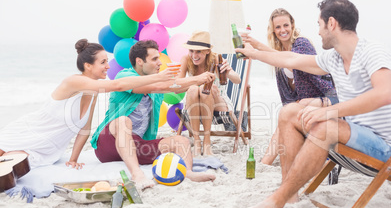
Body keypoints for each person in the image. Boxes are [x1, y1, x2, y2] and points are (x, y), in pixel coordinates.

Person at [235, 0, 391, 208]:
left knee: (325, 127)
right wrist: (254, 53)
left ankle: (276, 200)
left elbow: (383, 94)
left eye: (319, 25)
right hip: (354, 137)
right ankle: (291, 195)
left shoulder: (373, 52)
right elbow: (291, 59)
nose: (319, 32)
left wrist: (329, 111)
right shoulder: (333, 58)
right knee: (289, 112)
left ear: (331, 23)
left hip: (387, 149)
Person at [0, 39, 172, 168]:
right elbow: (117, 85)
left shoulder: (94, 91)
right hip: (28, 133)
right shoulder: (73, 82)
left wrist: (73, 159)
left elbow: (85, 130)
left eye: (107, 61)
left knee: (12, 167)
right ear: (88, 66)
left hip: (48, 148)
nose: (108, 66)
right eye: (103, 62)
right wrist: (158, 76)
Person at [90, 40, 216, 190]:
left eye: (159, 58)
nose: (159, 63)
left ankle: (186, 172)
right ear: (139, 61)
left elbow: (171, 87)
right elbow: (156, 86)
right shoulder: (124, 75)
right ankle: (137, 174)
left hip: (138, 146)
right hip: (109, 143)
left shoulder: (157, 86)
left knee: (181, 141)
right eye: (154, 59)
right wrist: (196, 79)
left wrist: (202, 79)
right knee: (123, 121)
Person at [241, 8, 337, 166]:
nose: (282, 30)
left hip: (326, 100)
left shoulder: (301, 43)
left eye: (286, 25)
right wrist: (255, 47)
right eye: (278, 27)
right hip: (304, 105)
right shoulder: (279, 53)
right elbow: (280, 58)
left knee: (294, 110)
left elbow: (289, 61)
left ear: (292, 25)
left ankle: (265, 163)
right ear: (273, 30)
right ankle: (265, 163)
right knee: (287, 115)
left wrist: (257, 48)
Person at [178, 31, 241, 156]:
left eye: (198, 51)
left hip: (218, 101)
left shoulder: (216, 59)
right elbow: (177, 87)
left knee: (205, 89)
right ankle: (197, 141)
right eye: (191, 51)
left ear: (207, 51)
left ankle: (206, 142)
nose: (194, 55)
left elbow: (237, 80)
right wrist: (196, 81)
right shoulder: (186, 59)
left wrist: (228, 70)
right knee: (193, 89)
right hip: (194, 102)